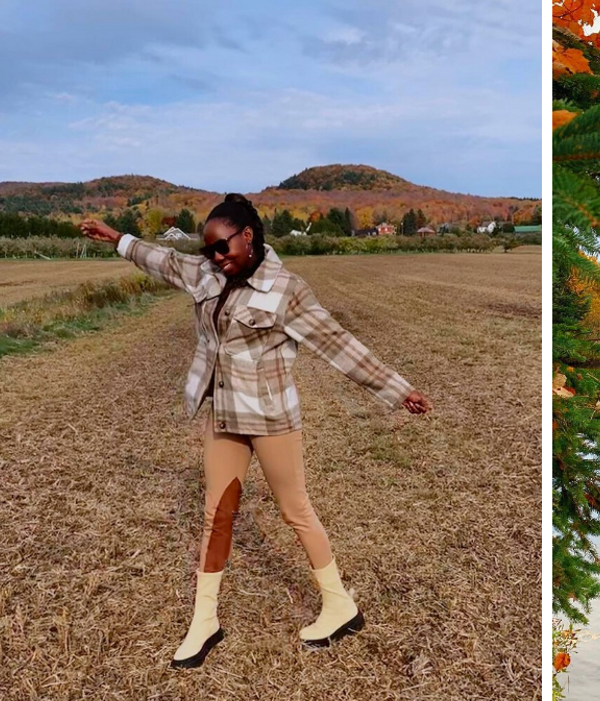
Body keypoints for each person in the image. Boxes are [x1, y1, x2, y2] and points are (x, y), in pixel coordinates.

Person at [79, 194, 432, 669]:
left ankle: (339, 604)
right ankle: (205, 621)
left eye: (223, 247)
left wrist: (397, 390)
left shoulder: (286, 289)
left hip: (269, 419)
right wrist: (116, 239)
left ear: (248, 235)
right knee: (215, 513)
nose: (216, 258)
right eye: (208, 250)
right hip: (224, 414)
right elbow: (162, 260)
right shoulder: (207, 273)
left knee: (295, 510)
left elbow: (339, 344)